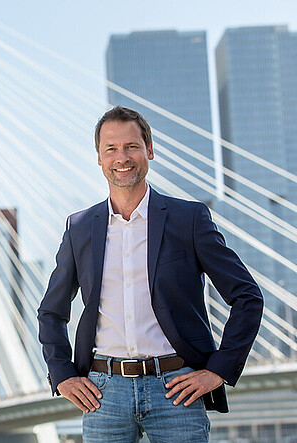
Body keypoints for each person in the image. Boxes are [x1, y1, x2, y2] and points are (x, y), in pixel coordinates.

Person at [38, 106, 263, 442]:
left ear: (150, 151)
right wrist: (61, 373)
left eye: (132, 146)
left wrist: (218, 370)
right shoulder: (80, 228)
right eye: (110, 149)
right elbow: (51, 312)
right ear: (99, 159)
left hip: (176, 391)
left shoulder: (189, 219)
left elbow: (247, 296)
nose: (122, 158)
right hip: (103, 395)